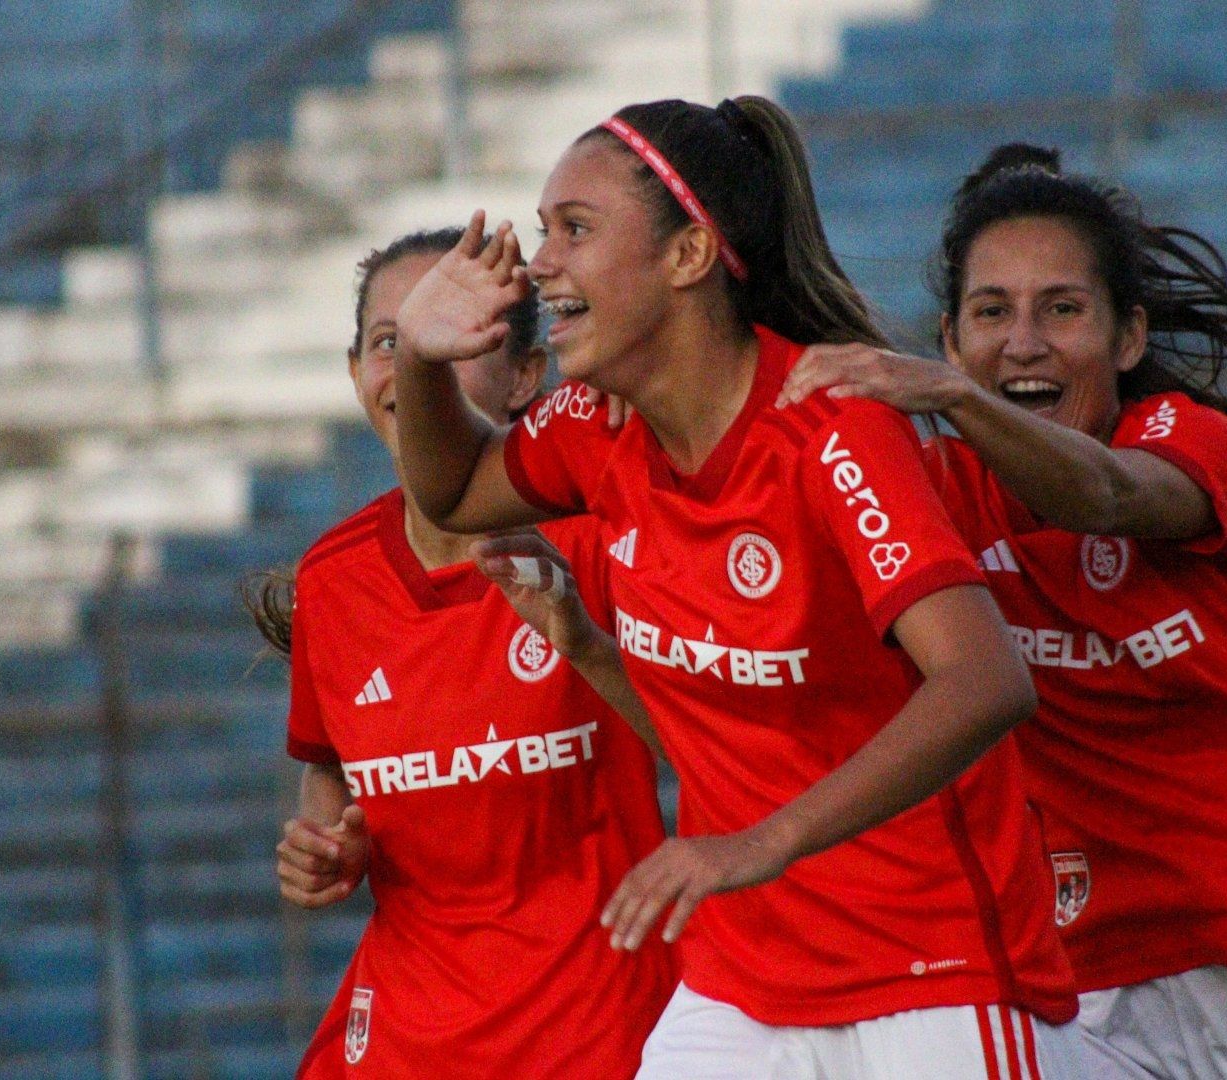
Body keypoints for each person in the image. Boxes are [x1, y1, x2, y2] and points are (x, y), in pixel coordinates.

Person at [390, 98, 1087, 1078]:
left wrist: (766, 842)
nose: (541, 262)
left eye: (575, 229)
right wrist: (421, 362)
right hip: (742, 982)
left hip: (932, 969)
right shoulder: (595, 423)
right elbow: (455, 490)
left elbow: (985, 681)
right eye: (544, 228)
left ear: (688, 257)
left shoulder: (832, 426)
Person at [778, 144, 1227, 1079]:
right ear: (948, 338)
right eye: (991, 313)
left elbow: (1105, 498)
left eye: (1061, 309)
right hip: (1090, 977)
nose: (1022, 342)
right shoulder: (925, 496)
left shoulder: (1189, 443)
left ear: (1128, 338)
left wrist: (950, 401)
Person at [249, 228, 675, 1078]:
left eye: (454, 335)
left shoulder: (599, 538)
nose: (414, 362)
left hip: (594, 1026)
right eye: (391, 342)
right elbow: (333, 768)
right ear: (356, 375)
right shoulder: (331, 580)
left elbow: (712, 746)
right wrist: (328, 846)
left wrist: (587, 648)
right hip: (409, 1031)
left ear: (525, 374)